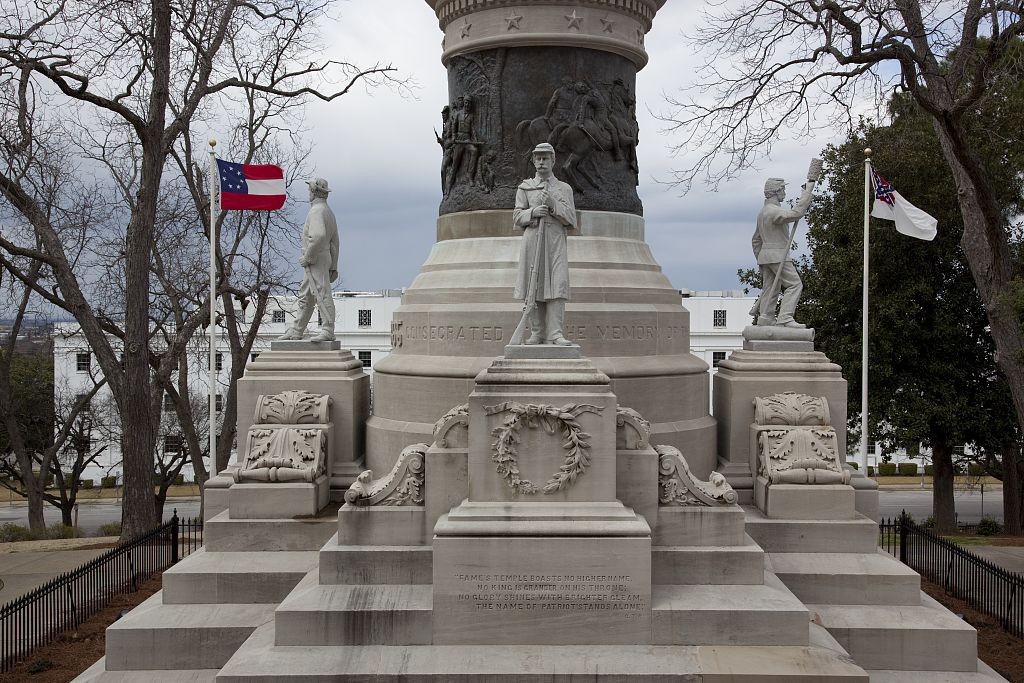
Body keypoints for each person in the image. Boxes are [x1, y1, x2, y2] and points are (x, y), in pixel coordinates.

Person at [513, 143, 577, 345]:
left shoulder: (563, 189)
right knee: (534, 285)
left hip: (555, 240)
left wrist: (553, 204)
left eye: (545, 158)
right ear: (533, 161)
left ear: (553, 161)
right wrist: (532, 212)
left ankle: (555, 333)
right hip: (533, 239)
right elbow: (516, 216)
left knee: (557, 285)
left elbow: (571, 219)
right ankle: (537, 332)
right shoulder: (525, 188)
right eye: (538, 158)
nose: (541, 162)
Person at [279, 178, 339, 342]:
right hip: (322, 257)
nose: (308, 193)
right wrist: (333, 265)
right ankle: (297, 330)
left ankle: (328, 328)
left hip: (316, 257)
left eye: (309, 191)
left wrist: (308, 257)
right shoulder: (328, 211)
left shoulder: (317, 211)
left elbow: (318, 236)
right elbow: (335, 243)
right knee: (306, 294)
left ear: (314, 191)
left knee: (321, 292)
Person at [751, 176, 814, 327]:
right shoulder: (773, 211)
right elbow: (795, 214)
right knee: (795, 285)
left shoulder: (762, 212)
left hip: (766, 256)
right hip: (778, 255)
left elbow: (756, 240)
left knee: (771, 288)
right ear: (776, 191)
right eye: (783, 189)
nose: (784, 193)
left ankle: (765, 318)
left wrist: (761, 258)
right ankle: (785, 318)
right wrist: (806, 194)